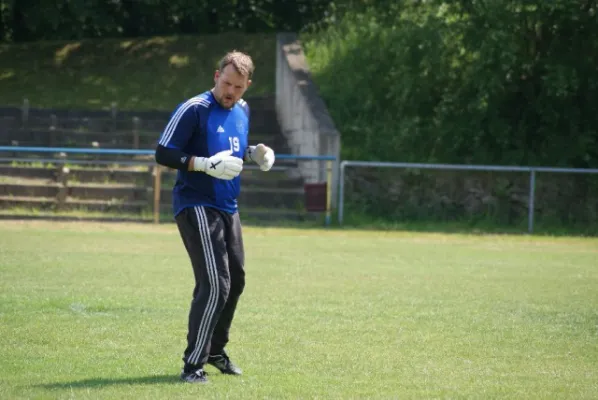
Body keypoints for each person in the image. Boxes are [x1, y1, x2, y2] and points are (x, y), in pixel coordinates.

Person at [154, 50, 275, 384]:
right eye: (226, 83)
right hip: (195, 203)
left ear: (247, 86)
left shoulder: (243, 110)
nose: (230, 92)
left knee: (235, 281)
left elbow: (235, 152)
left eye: (238, 87)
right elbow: (163, 152)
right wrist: (202, 164)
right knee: (215, 283)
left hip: (228, 206)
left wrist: (256, 155)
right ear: (215, 76)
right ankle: (193, 365)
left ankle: (215, 351)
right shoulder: (193, 109)